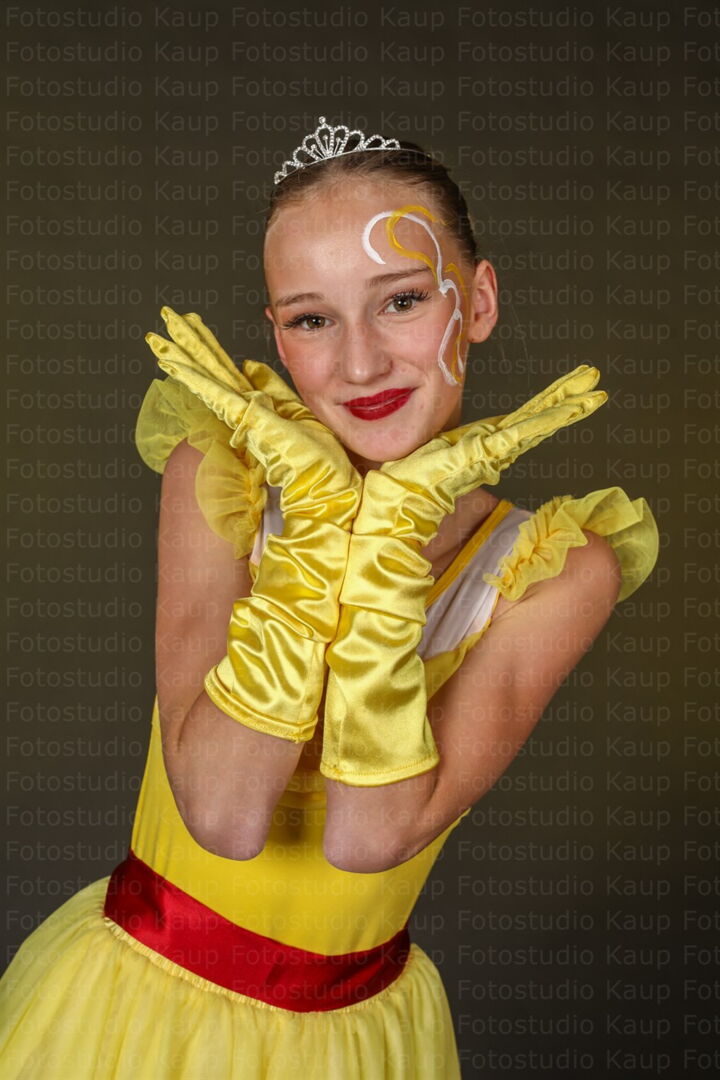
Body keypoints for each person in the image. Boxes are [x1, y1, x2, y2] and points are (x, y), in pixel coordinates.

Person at [0, 117, 659, 1078]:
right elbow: (222, 815)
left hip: (353, 1041)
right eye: (312, 320)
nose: (359, 364)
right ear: (276, 333)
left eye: (402, 301)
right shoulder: (220, 479)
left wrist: (385, 542)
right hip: (132, 1019)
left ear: (477, 300)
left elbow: (369, 836)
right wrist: (316, 528)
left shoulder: (558, 570)